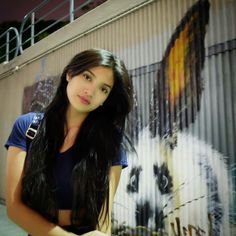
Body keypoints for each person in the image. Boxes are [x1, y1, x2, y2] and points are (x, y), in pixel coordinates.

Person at [5, 48, 133, 236]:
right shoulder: (27, 127)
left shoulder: (109, 141)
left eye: (103, 89)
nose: (90, 91)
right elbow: (14, 208)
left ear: (106, 98)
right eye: (87, 77)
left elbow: (103, 216)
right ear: (70, 74)